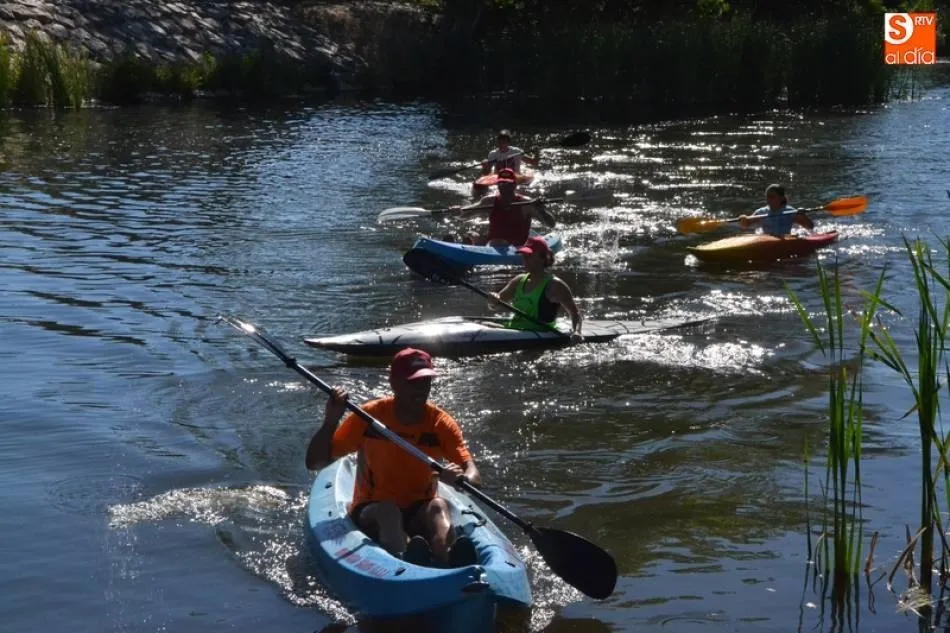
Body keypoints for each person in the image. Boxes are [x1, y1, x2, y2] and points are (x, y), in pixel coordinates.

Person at [305, 348, 481, 568]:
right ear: (394, 383)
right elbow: (315, 463)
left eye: (425, 382)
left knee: (438, 506)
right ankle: (406, 561)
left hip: (419, 507)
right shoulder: (369, 417)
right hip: (372, 508)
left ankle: (447, 556)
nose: (420, 389)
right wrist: (331, 421)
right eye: (413, 382)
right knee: (389, 510)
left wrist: (461, 479)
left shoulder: (440, 423)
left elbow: (472, 472)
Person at [489, 235, 584, 342]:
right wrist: (493, 300)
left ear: (542, 258)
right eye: (523, 255)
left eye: (529, 256)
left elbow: (575, 314)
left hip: (539, 335)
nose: (524, 259)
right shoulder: (518, 281)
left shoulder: (555, 286)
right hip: (514, 331)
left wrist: (577, 332)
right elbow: (494, 306)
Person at [448, 167, 556, 246]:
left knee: (497, 242)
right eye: (501, 184)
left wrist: (541, 210)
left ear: (514, 185)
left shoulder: (526, 204)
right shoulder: (489, 201)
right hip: (493, 245)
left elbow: (551, 224)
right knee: (471, 236)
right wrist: (458, 212)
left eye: (507, 184)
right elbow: (465, 214)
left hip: (515, 247)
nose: (504, 187)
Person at [739, 184, 814, 236]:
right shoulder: (761, 212)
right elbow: (746, 225)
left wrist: (802, 216)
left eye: (772, 196)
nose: (768, 199)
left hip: (785, 240)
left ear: (781, 198)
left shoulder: (789, 211)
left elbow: (810, 226)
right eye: (767, 196)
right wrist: (744, 218)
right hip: (767, 240)